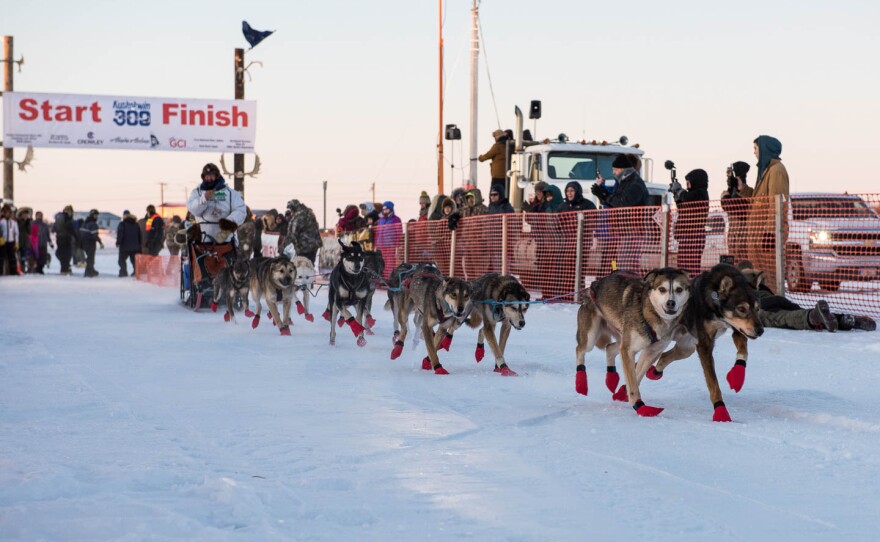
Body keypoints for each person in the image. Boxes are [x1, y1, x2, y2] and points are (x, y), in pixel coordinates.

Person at [737, 261, 875, 332]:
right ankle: (843, 319)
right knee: (798, 311)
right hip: (777, 299)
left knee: (785, 318)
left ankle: (812, 317)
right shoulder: (757, 280)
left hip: (761, 306)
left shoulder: (735, 283)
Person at [590, 154, 650, 272]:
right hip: (620, 230)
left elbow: (622, 202)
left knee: (627, 264)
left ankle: (630, 287)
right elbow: (615, 200)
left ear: (623, 169)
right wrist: (602, 193)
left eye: (615, 170)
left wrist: (604, 195)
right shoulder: (624, 182)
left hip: (632, 230)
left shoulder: (634, 184)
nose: (614, 172)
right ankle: (618, 282)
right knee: (619, 262)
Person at [747, 135, 789, 291]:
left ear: (765, 149)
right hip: (759, 236)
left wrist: (771, 232)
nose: (754, 152)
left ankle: (773, 308)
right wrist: (741, 188)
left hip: (767, 236)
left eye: (756, 148)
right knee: (760, 277)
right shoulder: (765, 172)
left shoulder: (776, 171)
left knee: (769, 277)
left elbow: (778, 203)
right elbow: (758, 201)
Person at [186, 162, 247, 244]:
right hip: (203, 239)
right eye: (206, 176)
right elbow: (193, 209)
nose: (209, 178)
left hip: (226, 239)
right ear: (203, 177)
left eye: (211, 175)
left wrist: (229, 222)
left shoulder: (231, 193)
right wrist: (203, 199)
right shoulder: (197, 192)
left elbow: (241, 210)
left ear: (217, 176)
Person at [669, 168, 710, 275]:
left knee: (690, 268)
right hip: (686, 235)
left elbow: (688, 199)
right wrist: (676, 196)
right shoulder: (693, 194)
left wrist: (679, 191)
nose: (687, 184)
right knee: (682, 266)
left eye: (688, 182)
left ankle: (693, 287)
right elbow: (683, 208)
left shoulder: (700, 193)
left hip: (694, 236)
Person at [720, 161, 754, 262]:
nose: (728, 180)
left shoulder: (750, 192)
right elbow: (727, 207)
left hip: (744, 238)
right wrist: (729, 193)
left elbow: (743, 210)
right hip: (732, 239)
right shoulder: (728, 193)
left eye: (731, 177)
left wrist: (735, 194)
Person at [286, 199, 322, 263]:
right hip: (314, 245)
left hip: (304, 247)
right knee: (310, 265)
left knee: (302, 267)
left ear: (293, 208)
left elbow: (293, 233)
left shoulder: (299, 216)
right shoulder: (309, 212)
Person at [375, 201, 402, 274]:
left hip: (390, 245)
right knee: (382, 262)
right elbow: (377, 232)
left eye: (386, 209)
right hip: (381, 245)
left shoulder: (396, 219)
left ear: (391, 209)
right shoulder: (381, 220)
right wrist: (376, 244)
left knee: (390, 263)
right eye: (384, 209)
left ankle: (389, 278)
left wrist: (398, 244)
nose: (385, 211)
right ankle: (383, 278)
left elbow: (398, 232)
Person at [478, 129, 508, 194]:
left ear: (497, 137)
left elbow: (487, 156)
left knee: (493, 193)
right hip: (506, 176)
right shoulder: (508, 145)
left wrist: (480, 158)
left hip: (497, 177)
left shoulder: (497, 146)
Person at [79, 208, 105, 277]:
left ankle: (92, 270)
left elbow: (81, 232)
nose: (96, 217)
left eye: (97, 215)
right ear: (92, 215)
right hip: (90, 242)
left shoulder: (84, 223)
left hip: (83, 242)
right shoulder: (93, 224)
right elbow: (95, 235)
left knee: (90, 257)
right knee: (90, 258)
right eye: (95, 215)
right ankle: (88, 273)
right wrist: (100, 243)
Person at [116, 210, 142, 277]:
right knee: (134, 261)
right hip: (135, 246)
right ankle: (136, 272)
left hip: (125, 246)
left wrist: (118, 242)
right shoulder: (136, 224)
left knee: (121, 260)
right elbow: (140, 235)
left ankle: (123, 272)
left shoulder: (122, 224)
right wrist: (139, 245)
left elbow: (120, 234)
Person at [53, 205, 75, 275]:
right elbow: (70, 228)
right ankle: (65, 269)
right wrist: (75, 236)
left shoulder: (58, 218)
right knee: (67, 255)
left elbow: (54, 228)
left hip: (59, 238)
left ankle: (64, 268)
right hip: (66, 238)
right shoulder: (67, 218)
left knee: (61, 254)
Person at [0, 204, 20, 275]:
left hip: (11, 242)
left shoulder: (14, 222)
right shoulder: (1, 221)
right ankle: (1, 272)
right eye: (6, 213)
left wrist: (17, 243)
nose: (7, 214)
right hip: (3, 242)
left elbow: (16, 233)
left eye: (9, 213)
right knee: (1, 258)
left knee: (12, 258)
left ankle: (13, 272)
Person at [16, 207, 32, 273]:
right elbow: (18, 228)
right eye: (24, 214)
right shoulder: (17, 221)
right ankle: (18, 269)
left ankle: (23, 270)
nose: (25, 216)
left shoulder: (28, 222)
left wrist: (27, 223)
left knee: (24, 257)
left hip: (25, 242)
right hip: (18, 241)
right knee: (18, 257)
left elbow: (29, 231)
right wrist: (23, 221)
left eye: (26, 214)